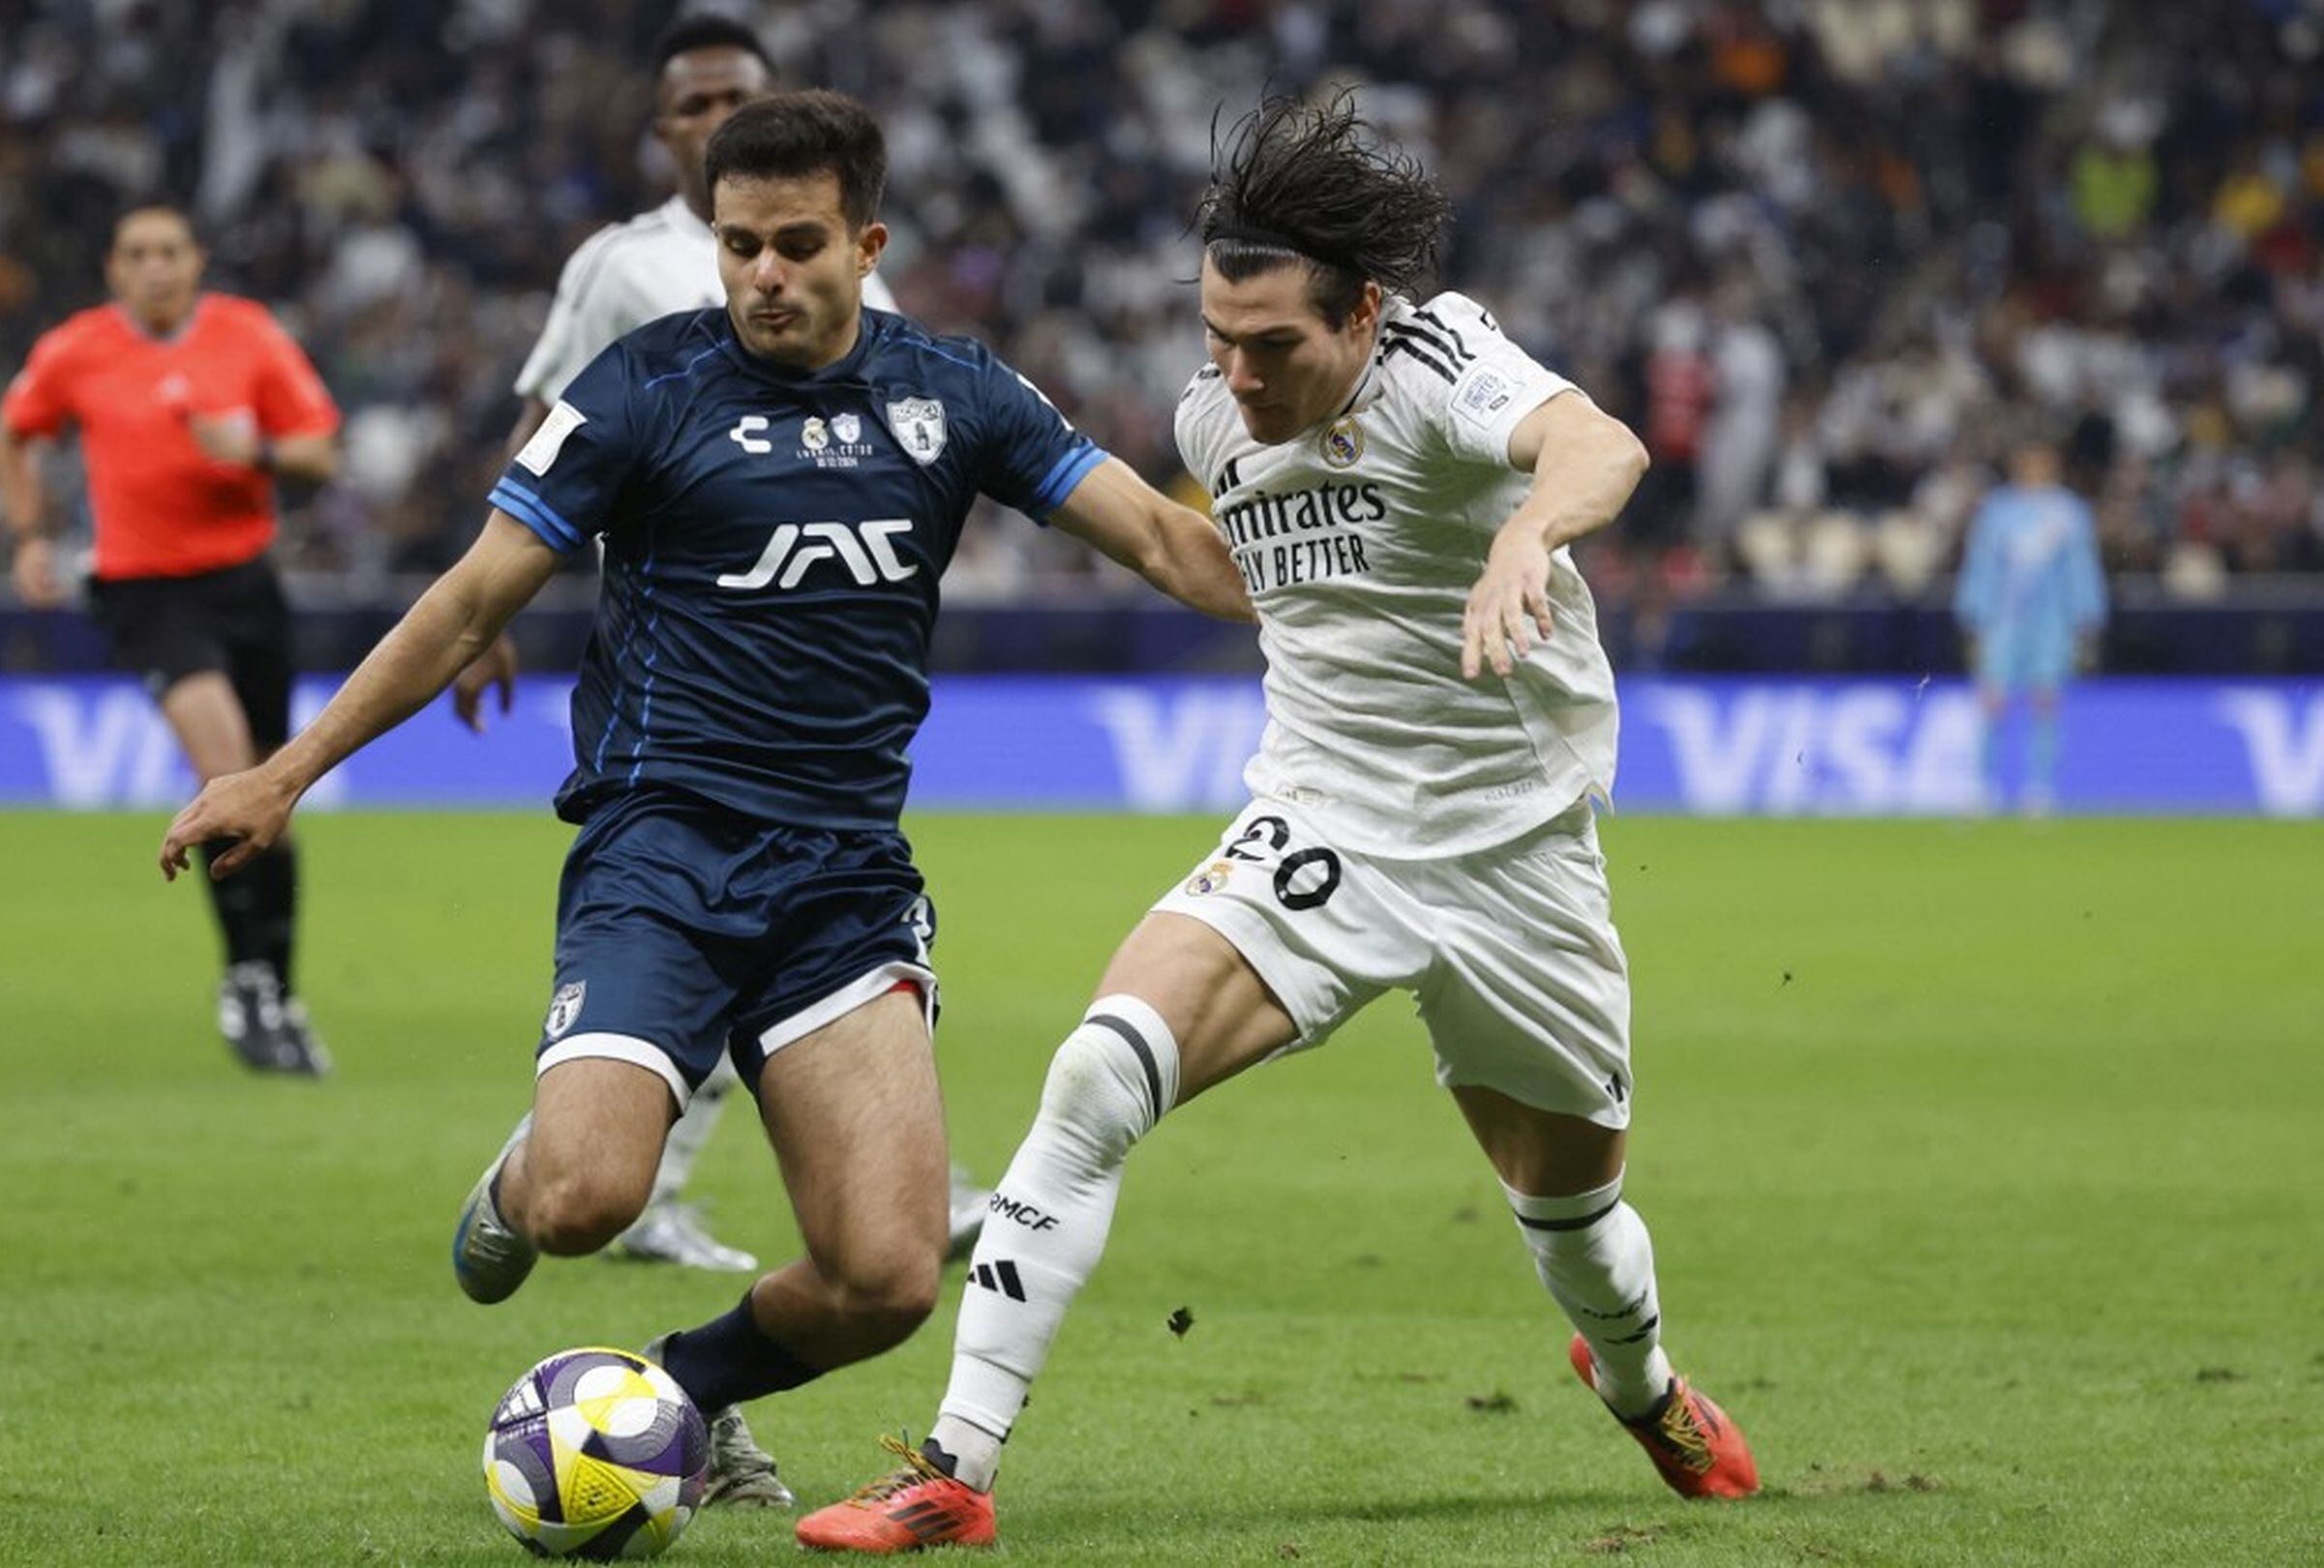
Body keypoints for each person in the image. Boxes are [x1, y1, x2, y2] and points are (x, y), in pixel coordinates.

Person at [159, 90, 1250, 1511]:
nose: (764, 278)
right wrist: (285, 773)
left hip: (844, 882)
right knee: (581, 1204)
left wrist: (1371, 593)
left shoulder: (955, 393)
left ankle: (683, 1390)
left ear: (867, 244)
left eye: (797, 246)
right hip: (660, 849)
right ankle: (532, 1162)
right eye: (739, 246)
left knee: (885, 1278)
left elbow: (1171, 545)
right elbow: (472, 594)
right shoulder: (642, 387)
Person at [796, 95, 1759, 1554]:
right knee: (1095, 1073)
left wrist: (1524, 532)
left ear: (1365, 314)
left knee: (1571, 1214)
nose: (1235, 379)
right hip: (1323, 824)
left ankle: (1642, 1386)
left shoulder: (1441, 364)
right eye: (1216, 340)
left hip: (1516, 855)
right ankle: (953, 1469)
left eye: (1274, 348)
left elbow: (1599, 446)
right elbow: (1233, 560)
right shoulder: (1211, 416)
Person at [457, 12, 984, 1279]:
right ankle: (585, 1173)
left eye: (730, 101)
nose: (709, 125)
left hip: (823, 731)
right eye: (690, 108)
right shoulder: (622, 272)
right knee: (667, 988)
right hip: (672, 667)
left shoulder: (879, 312)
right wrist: (487, 604)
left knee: (864, 1215)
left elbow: (904, 432)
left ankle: (688, 1196)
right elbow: (542, 426)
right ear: (665, 137)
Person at [4, 203, 341, 1075]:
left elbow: (320, 452)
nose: (155, 268)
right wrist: (31, 536)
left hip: (246, 583)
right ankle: (247, 989)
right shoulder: (77, 349)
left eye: (170, 252)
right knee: (229, 773)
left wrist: (255, 450)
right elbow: (18, 432)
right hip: (146, 589)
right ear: (115, 270)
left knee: (275, 797)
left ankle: (276, 990)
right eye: (137, 255)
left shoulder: (248, 335)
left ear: (196, 263)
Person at [1954, 435, 2107, 815]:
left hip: (2051, 622)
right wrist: (1974, 612)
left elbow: (2081, 567)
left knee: (2046, 700)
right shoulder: (1999, 510)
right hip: (2005, 620)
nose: (2035, 470)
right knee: (1993, 700)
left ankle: (2040, 786)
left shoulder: (2069, 512)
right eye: (2028, 462)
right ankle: (1982, 784)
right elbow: (1982, 564)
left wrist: (2087, 614)